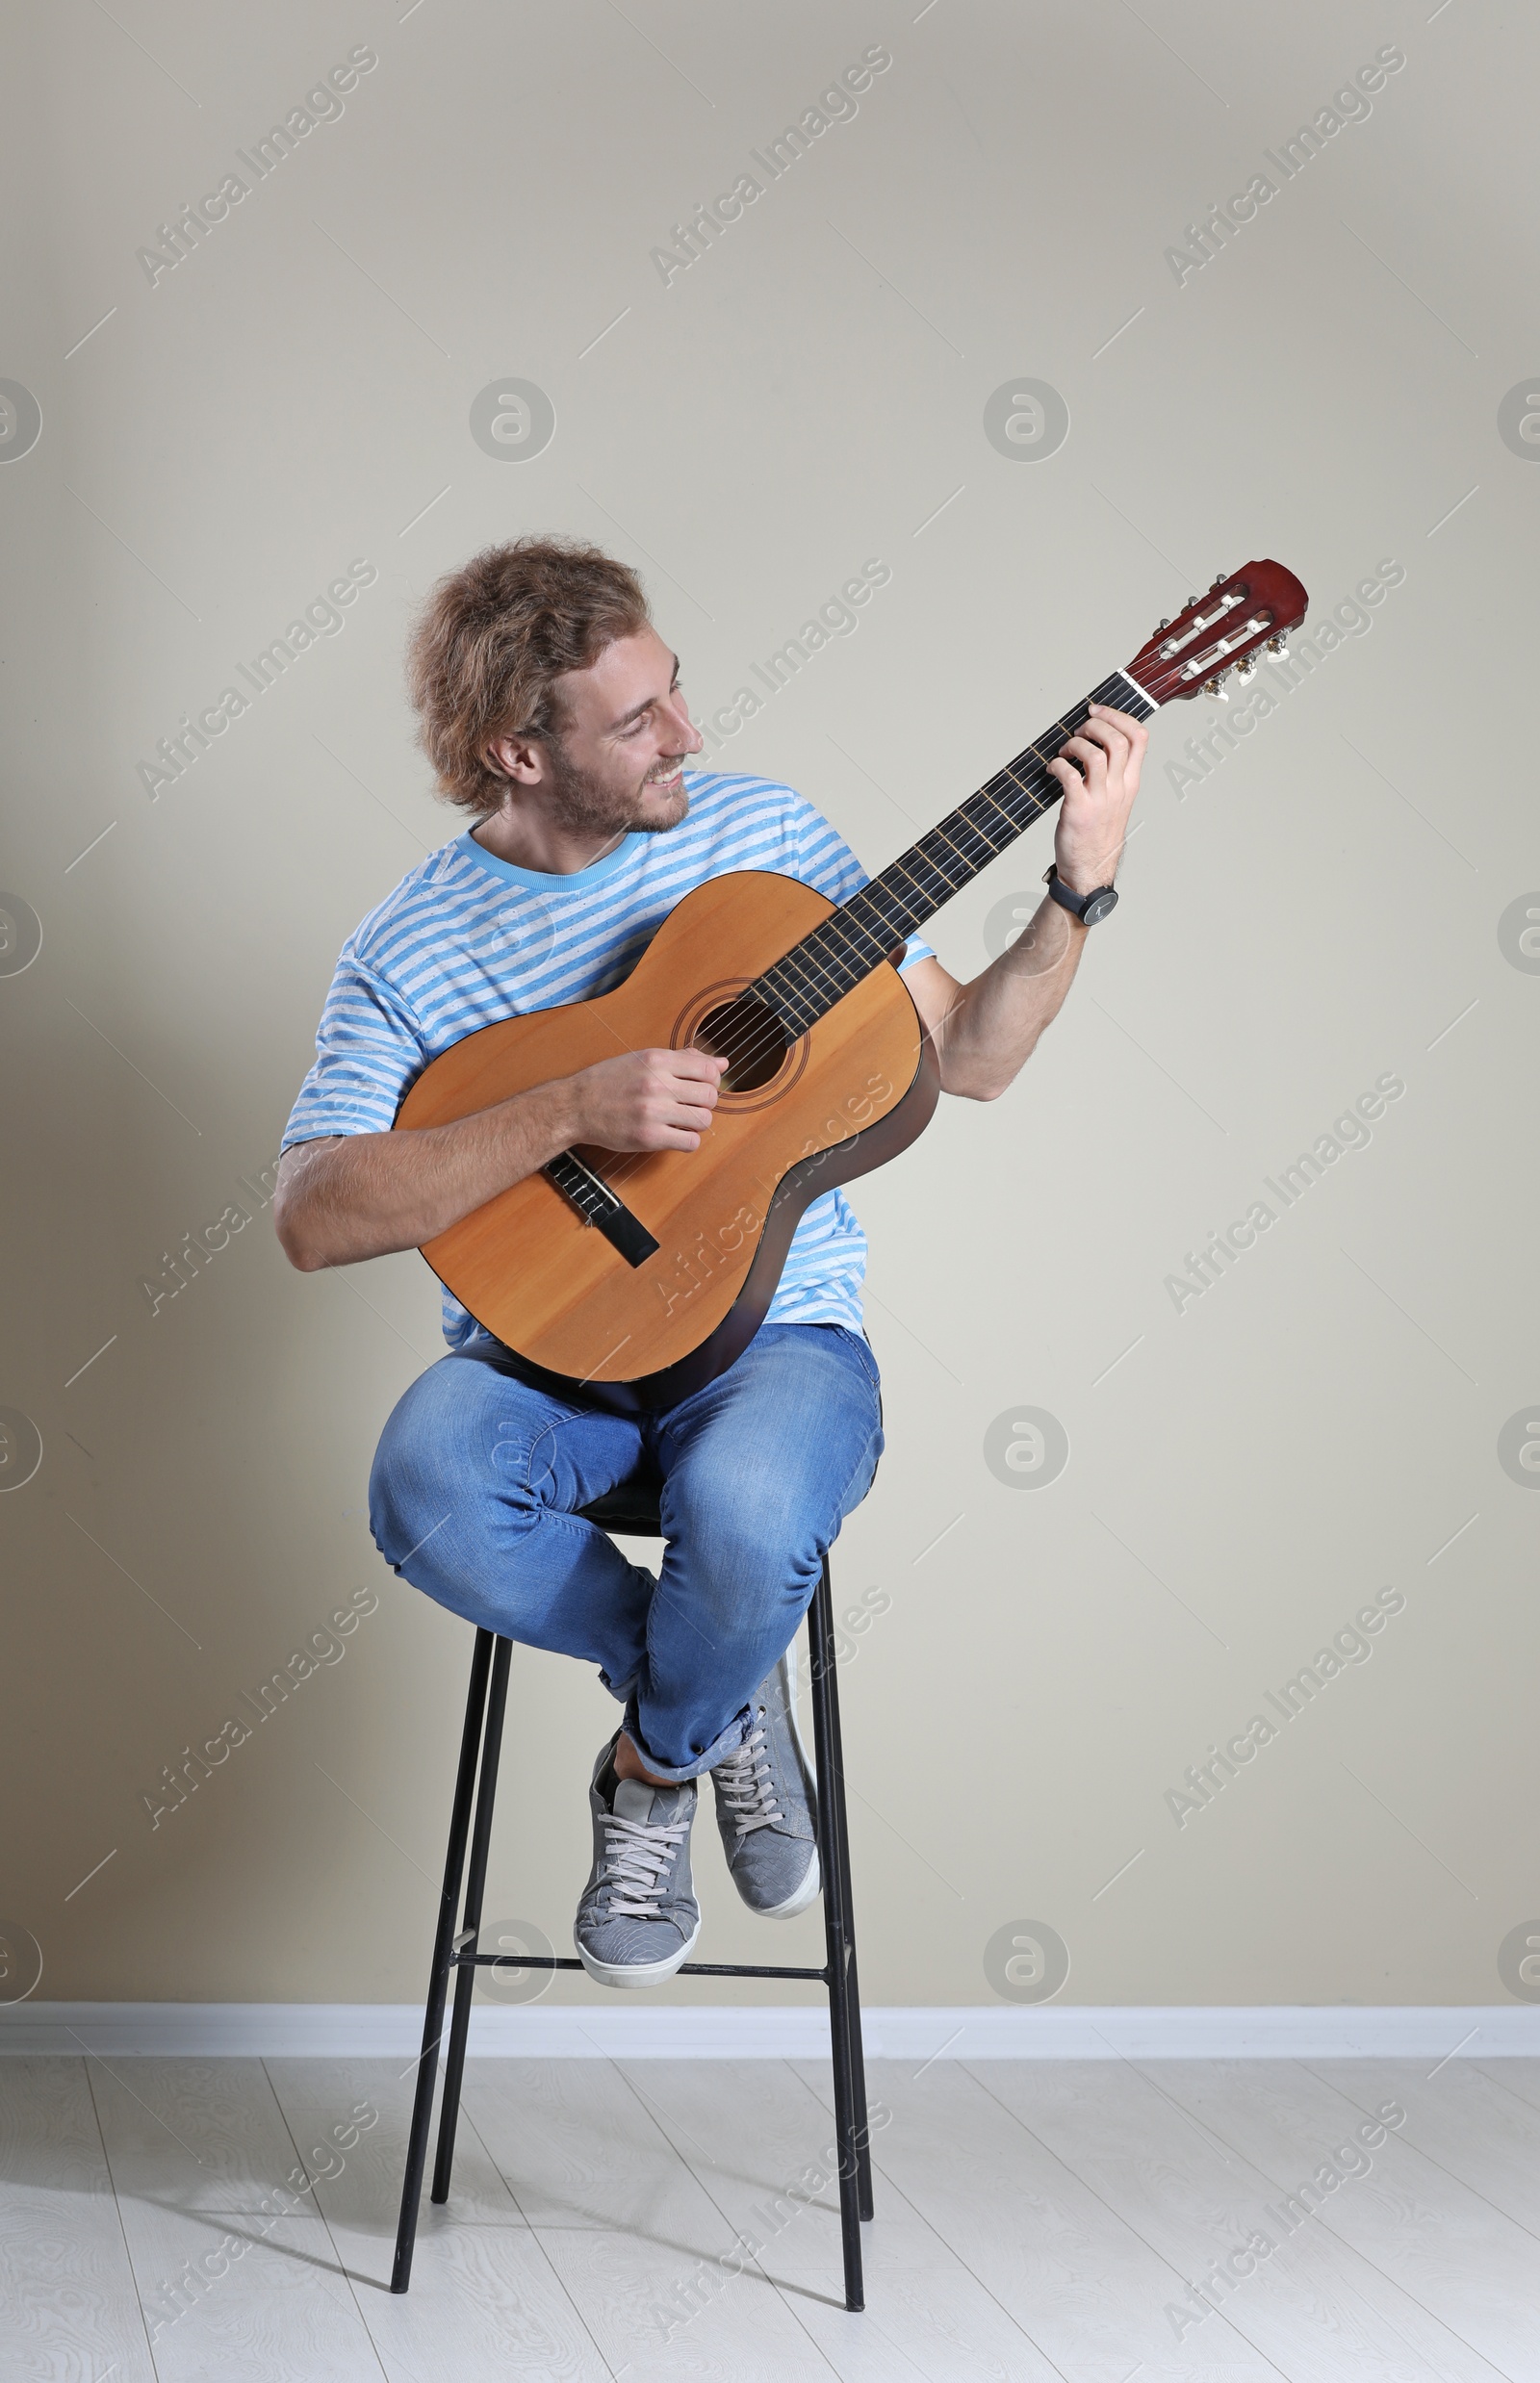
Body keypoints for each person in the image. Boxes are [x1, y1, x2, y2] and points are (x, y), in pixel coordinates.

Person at [273, 536, 1145, 1987]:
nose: (687, 730)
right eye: (635, 722)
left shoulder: (768, 840)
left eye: (674, 689)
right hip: (543, 1358)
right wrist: (568, 1104)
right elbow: (314, 1214)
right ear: (518, 751)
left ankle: (655, 1768)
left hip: (776, 1342)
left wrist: (1077, 891)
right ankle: (717, 1696)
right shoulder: (405, 946)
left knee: (743, 1509)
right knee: (424, 1485)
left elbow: (975, 1063)